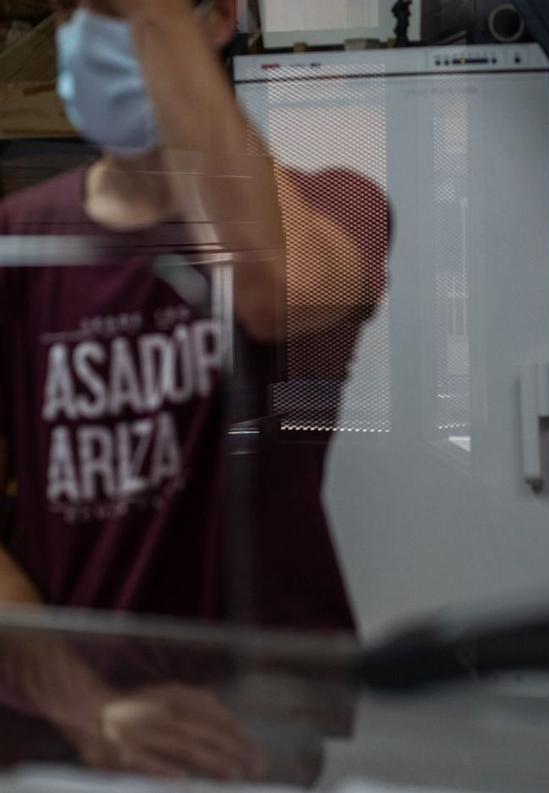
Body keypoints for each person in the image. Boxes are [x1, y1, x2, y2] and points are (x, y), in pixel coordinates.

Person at [0, 0, 388, 779]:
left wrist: (160, 30)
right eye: (74, 9)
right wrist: (89, 710)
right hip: (63, 740)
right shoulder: (20, 239)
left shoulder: (337, 203)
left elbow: (280, 291)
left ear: (218, 18)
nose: (88, 28)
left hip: (255, 721)